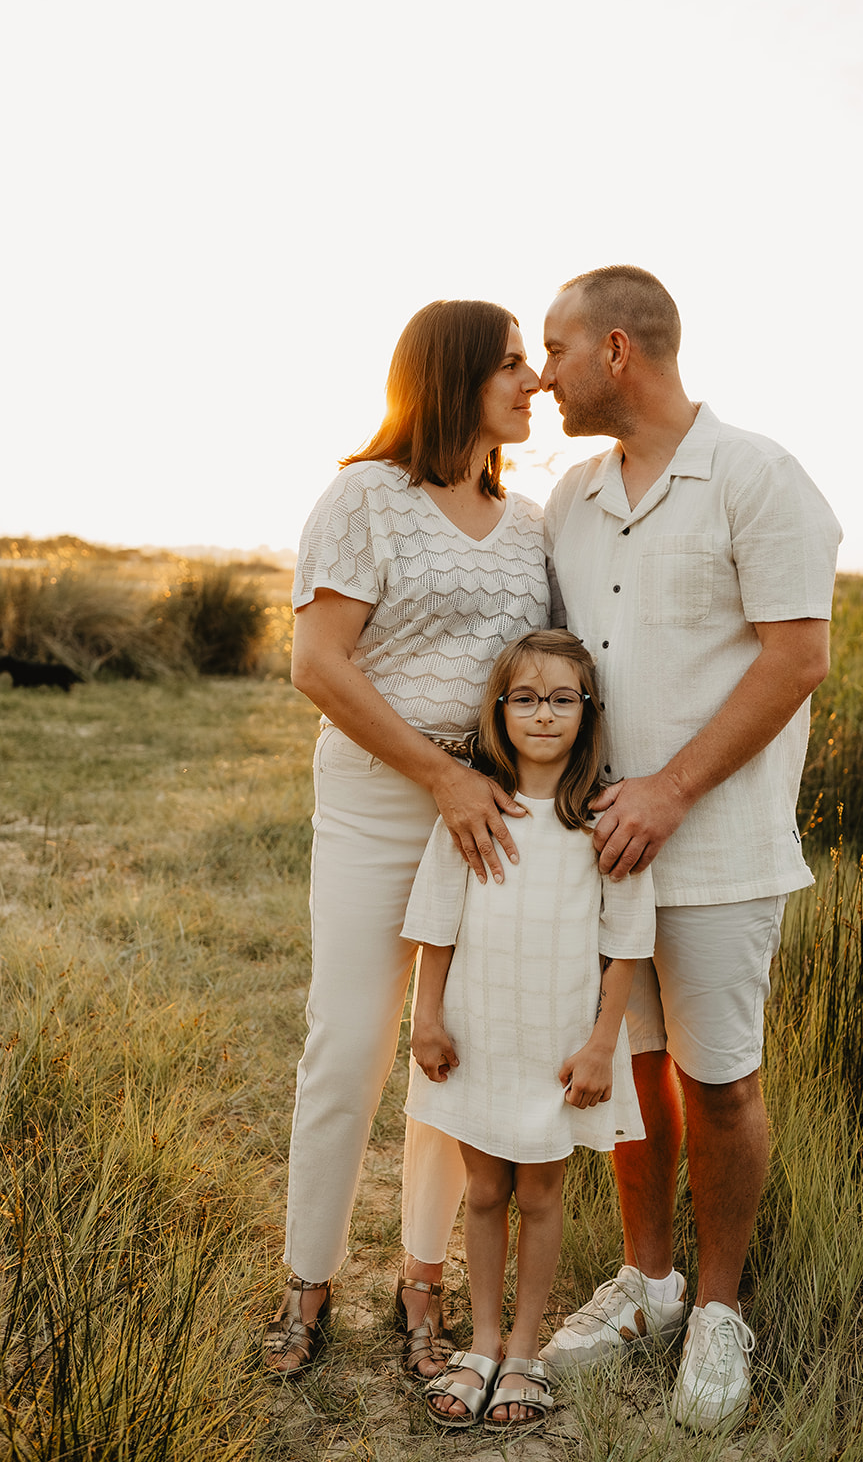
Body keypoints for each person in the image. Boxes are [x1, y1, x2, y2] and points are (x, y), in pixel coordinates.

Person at [538, 265, 842, 1432]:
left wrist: (667, 789)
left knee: (718, 1081)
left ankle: (719, 1311)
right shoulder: (570, 494)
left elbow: (793, 657)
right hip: (602, 851)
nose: (547, 372)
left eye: (558, 347)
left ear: (616, 350)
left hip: (715, 844)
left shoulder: (757, 476)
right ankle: (648, 1279)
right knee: (635, 1070)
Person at [262, 300, 551, 1380]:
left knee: (453, 1047)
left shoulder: (529, 525)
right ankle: (307, 1278)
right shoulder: (363, 498)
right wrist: (433, 772)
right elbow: (319, 665)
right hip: (385, 798)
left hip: (487, 811)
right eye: (513, 365)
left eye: (531, 363)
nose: (535, 384)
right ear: (455, 374)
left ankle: (420, 1281)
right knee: (348, 1037)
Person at [401, 629, 656, 1431]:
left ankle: (521, 1350)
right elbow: (435, 925)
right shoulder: (475, 806)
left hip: (557, 1046)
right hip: (479, 1032)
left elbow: (625, 948)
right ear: (499, 709)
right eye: (525, 698)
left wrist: (600, 1045)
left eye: (561, 699)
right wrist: (427, 1018)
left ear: (587, 711)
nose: (543, 714)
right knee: (483, 1189)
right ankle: (478, 1341)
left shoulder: (603, 820)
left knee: (540, 1195)